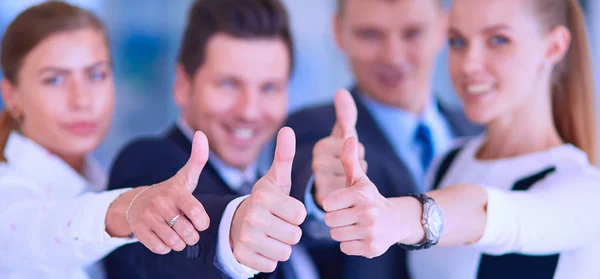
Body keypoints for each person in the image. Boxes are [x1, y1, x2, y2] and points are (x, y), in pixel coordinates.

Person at [322, 0, 600, 278]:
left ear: (554, 47)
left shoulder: (584, 189)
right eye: (457, 42)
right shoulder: (449, 160)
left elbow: (492, 214)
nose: (468, 64)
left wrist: (397, 216)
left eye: (498, 40)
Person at [105, 0, 318, 278]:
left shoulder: (285, 186)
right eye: (228, 84)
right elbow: (157, 254)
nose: (249, 111)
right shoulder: (148, 164)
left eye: (269, 88)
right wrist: (230, 230)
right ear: (183, 84)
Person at [0, 2, 214, 278]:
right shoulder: (8, 193)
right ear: (12, 96)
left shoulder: (100, 181)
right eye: (54, 80)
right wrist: (128, 207)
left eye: (96, 74)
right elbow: (38, 229)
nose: (82, 99)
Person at [285, 0, 481, 278]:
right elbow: (307, 204)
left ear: (443, 27)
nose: (393, 57)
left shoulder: (478, 130)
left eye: (412, 33)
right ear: (338, 32)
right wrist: (322, 197)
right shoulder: (313, 129)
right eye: (370, 35)